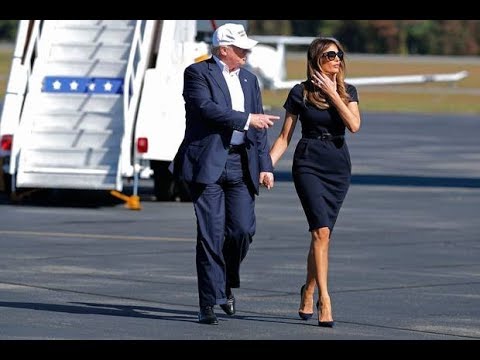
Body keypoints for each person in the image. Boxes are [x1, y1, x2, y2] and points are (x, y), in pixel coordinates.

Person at [172, 23, 280, 325]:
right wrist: (248, 119)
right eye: (241, 48)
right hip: (207, 165)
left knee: (242, 230)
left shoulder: (249, 79)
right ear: (224, 50)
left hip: (240, 165)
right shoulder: (197, 74)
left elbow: (259, 132)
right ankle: (208, 301)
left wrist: (265, 166)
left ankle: (225, 280)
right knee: (210, 234)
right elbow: (206, 109)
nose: (247, 52)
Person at [267, 37, 361, 327]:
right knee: (320, 232)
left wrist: (334, 94)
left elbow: (354, 125)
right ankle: (325, 298)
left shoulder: (348, 91)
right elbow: (284, 138)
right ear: (316, 59)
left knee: (322, 235)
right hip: (308, 162)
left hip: (337, 164)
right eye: (330, 55)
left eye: (339, 55)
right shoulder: (300, 92)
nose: (337, 59)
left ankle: (307, 288)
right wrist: (265, 167)